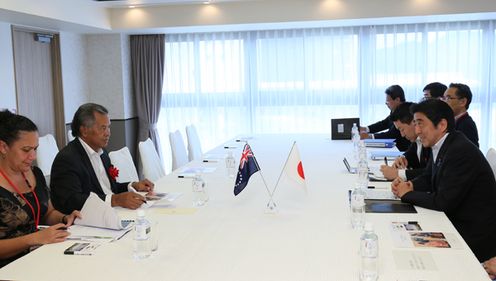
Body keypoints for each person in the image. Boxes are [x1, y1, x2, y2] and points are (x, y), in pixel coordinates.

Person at [391, 99, 496, 262]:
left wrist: (406, 194)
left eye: (420, 124)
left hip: (471, 235)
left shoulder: (460, 151)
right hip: (455, 219)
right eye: (415, 124)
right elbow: (428, 176)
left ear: (441, 125)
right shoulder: (444, 143)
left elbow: (443, 202)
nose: (417, 131)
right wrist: (410, 184)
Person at [0, 110, 80, 268]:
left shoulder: (35, 174)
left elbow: (48, 213)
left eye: (35, 149)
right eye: (26, 150)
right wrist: (35, 238)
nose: (33, 156)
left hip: (40, 256)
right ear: (3, 147)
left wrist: (65, 218)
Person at [50, 103, 155, 214]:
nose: (108, 133)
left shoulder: (102, 152)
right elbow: (71, 201)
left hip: (111, 212)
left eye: (108, 127)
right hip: (89, 220)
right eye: (103, 128)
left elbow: (109, 189)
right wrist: (116, 200)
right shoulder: (67, 159)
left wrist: (133, 185)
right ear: (84, 131)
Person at [379, 102, 431, 180]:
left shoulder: (430, 141)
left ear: (413, 122)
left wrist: (398, 174)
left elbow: (430, 173)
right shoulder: (417, 141)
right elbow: (409, 154)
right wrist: (402, 158)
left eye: (402, 129)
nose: (402, 135)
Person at [359, 85, 410, 151]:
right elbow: (384, 123)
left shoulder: (405, 112)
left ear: (397, 99)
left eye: (388, 101)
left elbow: (391, 135)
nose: (386, 104)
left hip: (403, 149)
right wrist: (366, 129)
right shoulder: (395, 110)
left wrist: (369, 136)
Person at [442, 83, 479, 147]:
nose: (444, 102)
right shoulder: (453, 121)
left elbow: (468, 153)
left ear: (463, 102)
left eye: (448, 98)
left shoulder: (467, 125)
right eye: (443, 98)